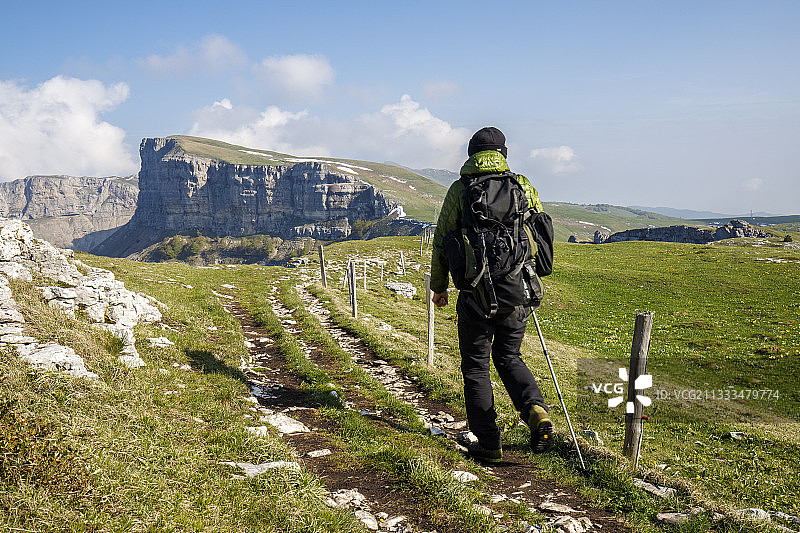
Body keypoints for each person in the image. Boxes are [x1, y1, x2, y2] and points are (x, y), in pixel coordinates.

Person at [430, 126, 552, 462]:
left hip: (475, 294)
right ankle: (536, 411)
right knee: (509, 357)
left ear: (471, 155)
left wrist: (439, 287)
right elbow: (538, 231)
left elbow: (443, 240)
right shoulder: (522, 185)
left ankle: (489, 443)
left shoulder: (460, 189)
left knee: (476, 366)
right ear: (503, 154)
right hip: (517, 291)